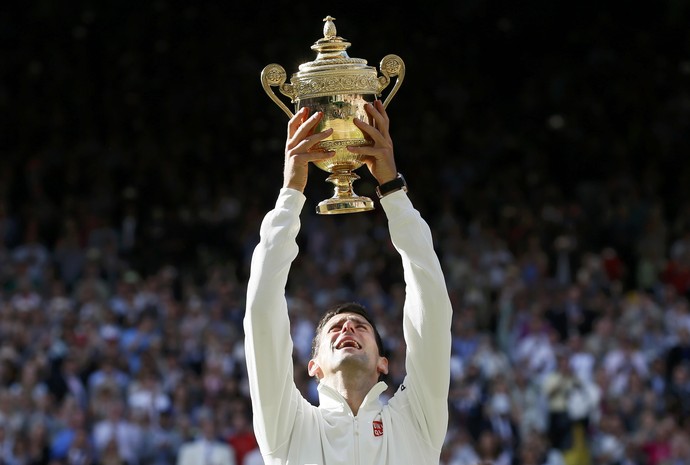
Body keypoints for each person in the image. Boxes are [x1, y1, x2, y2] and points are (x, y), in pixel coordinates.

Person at [244, 100, 453, 464]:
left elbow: (432, 306)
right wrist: (291, 192)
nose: (348, 329)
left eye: (361, 327)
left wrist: (392, 188)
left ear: (382, 363)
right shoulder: (288, 428)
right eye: (335, 329)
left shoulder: (417, 422)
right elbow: (261, 312)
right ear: (314, 367)